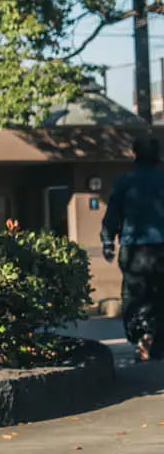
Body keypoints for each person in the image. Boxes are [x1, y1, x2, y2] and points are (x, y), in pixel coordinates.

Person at [101, 131, 164, 361]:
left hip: (135, 247)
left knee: (135, 295)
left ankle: (141, 334)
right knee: (161, 295)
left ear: (135, 154)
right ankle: (158, 341)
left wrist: (108, 241)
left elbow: (112, 216)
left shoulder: (124, 183)